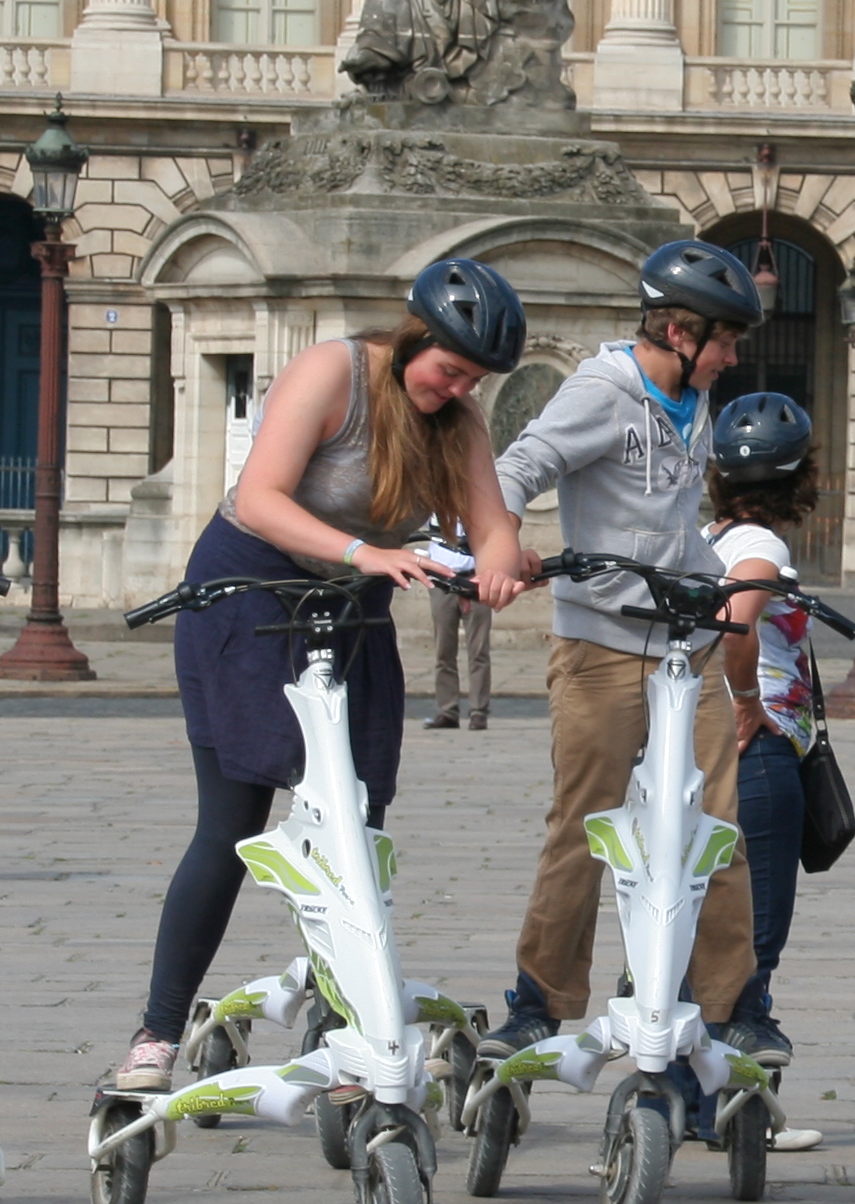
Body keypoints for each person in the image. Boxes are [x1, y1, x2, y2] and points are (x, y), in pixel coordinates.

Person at [111, 259, 531, 1093]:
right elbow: (260, 497)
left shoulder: (460, 419)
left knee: (356, 826)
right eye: (449, 370)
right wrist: (363, 551)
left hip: (350, 607)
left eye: (473, 380)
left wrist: (499, 563)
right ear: (412, 338)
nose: (457, 389)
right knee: (232, 823)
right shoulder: (332, 372)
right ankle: (157, 1032)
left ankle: (347, 1020)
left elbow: (493, 525)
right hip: (247, 591)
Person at [487, 238, 767, 1058]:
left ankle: (731, 1005)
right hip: (602, 647)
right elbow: (516, 468)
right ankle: (539, 1001)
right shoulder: (602, 392)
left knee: (716, 824)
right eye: (723, 341)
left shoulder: (694, 397)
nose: (731, 358)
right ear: (679, 333)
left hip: (690, 643)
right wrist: (498, 545)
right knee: (585, 823)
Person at [705, 391, 830, 1076]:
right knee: (755, 935)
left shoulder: (704, 540)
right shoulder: (761, 546)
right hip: (758, 751)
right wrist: (749, 701)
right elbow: (735, 619)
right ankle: (738, 1083)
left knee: (700, 922)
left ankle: (691, 1087)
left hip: (699, 745)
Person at [424, 520, 495, 732]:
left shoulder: (481, 505)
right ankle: (447, 710)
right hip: (441, 578)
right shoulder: (434, 506)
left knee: (479, 649)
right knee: (443, 649)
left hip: (475, 576)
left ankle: (478, 711)